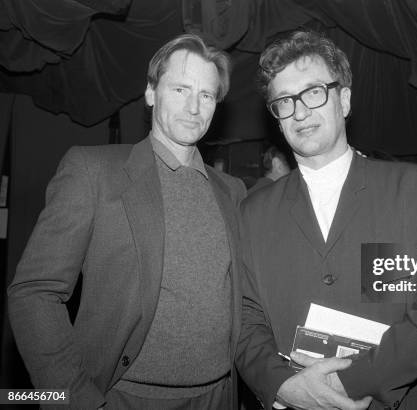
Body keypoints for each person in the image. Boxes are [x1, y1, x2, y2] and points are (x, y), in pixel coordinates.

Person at [236, 30, 417, 410]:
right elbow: (244, 317)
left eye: (313, 92)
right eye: (283, 101)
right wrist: (280, 385)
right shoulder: (252, 212)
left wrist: (348, 381)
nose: (299, 111)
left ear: (344, 100)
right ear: (276, 118)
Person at [8, 34, 245, 409]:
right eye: (181, 89)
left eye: (206, 95)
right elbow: (34, 293)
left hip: (220, 396)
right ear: (151, 93)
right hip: (123, 398)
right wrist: (74, 399)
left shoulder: (232, 192)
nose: (194, 107)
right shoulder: (93, 171)